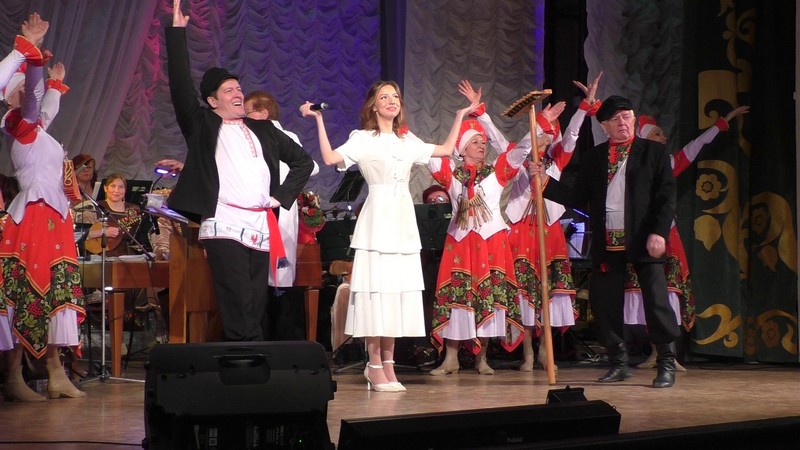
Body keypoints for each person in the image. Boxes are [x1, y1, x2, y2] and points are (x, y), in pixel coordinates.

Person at [301, 80, 477, 391]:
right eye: (384, 97)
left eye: (395, 96)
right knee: (376, 292)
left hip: (402, 220)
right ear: (373, 106)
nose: (391, 101)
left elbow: (446, 150)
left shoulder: (406, 140)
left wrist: (461, 114)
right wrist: (318, 120)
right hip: (377, 218)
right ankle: (373, 364)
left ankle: (389, 363)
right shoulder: (362, 139)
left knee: (396, 292)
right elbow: (329, 158)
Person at [166, 1, 314, 342]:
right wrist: (176, 34)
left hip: (259, 223)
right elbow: (180, 85)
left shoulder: (263, 129)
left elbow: (303, 162)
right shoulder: (202, 124)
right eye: (229, 90)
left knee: (255, 300)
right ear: (213, 101)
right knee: (236, 296)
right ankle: (245, 357)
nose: (238, 93)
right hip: (224, 222)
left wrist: (281, 197)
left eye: (239, 88)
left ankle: (251, 356)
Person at [459, 74, 602, 372]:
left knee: (549, 292)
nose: (546, 138)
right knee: (525, 291)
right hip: (521, 228)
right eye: (543, 132)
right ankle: (526, 353)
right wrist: (481, 113)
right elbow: (496, 138)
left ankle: (545, 352)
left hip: (549, 229)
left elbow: (573, 135)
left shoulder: (557, 160)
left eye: (550, 134)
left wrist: (583, 109)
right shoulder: (518, 157)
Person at [538, 95, 679, 388]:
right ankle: (618, 362)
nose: (622, 123)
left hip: (643, 238)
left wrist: (659, 232)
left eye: (627, 117)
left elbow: (666, 197)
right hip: (608, 242)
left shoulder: (653, 152)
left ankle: (666, 362)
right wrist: (546, 184)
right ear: (604, 126)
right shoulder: (595, 157)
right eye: (615, 119)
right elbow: (578, 197)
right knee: (605, 303)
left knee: (656, 302)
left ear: (634, 119)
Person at [0, 13, 86, 401]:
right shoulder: (17, 123)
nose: (28, 95)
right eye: (19, 90)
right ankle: (14, 377)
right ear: (10, 98)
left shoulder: (39, 132)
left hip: (55, 217)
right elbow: (35, 101)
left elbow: (46, 108)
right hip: (34, 216)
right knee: (29, 292)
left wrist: (55, 84)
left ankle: (55, 373)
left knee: (53, 294)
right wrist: (32, 59)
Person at [630, 105, 750, 371]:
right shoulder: (631, 166)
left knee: (670, 292)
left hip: (666, 235)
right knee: (648, 294)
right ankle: (656, 353)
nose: (664, 137)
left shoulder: (669, 163)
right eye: (657, 134)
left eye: (662, 133)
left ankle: (669, 354)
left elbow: (696, 146)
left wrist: (722, 123)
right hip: (640, 234)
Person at [427, 117, 527, 377]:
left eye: (483, 142)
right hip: (460, 244)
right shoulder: (451, 175)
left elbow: (520, 151)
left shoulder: (497, 172)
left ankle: (482, 359)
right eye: (475, 142)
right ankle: (450, 359)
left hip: (491, 243)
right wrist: (399, 131)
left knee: (487, 299)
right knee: (456, 299)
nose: (482, 145)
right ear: (462, 149)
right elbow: (426, 153)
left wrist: (541, 125)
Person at [81, 174, 146, 257]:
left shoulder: (134, 209)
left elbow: (142, 236)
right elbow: (80, 234)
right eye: (113, 186)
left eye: (121, 187)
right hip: (101, 256)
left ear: (125, 190)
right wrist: (103, 232)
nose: (117, 190)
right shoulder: (94, 207)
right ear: (105, 188)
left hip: (128, 256)